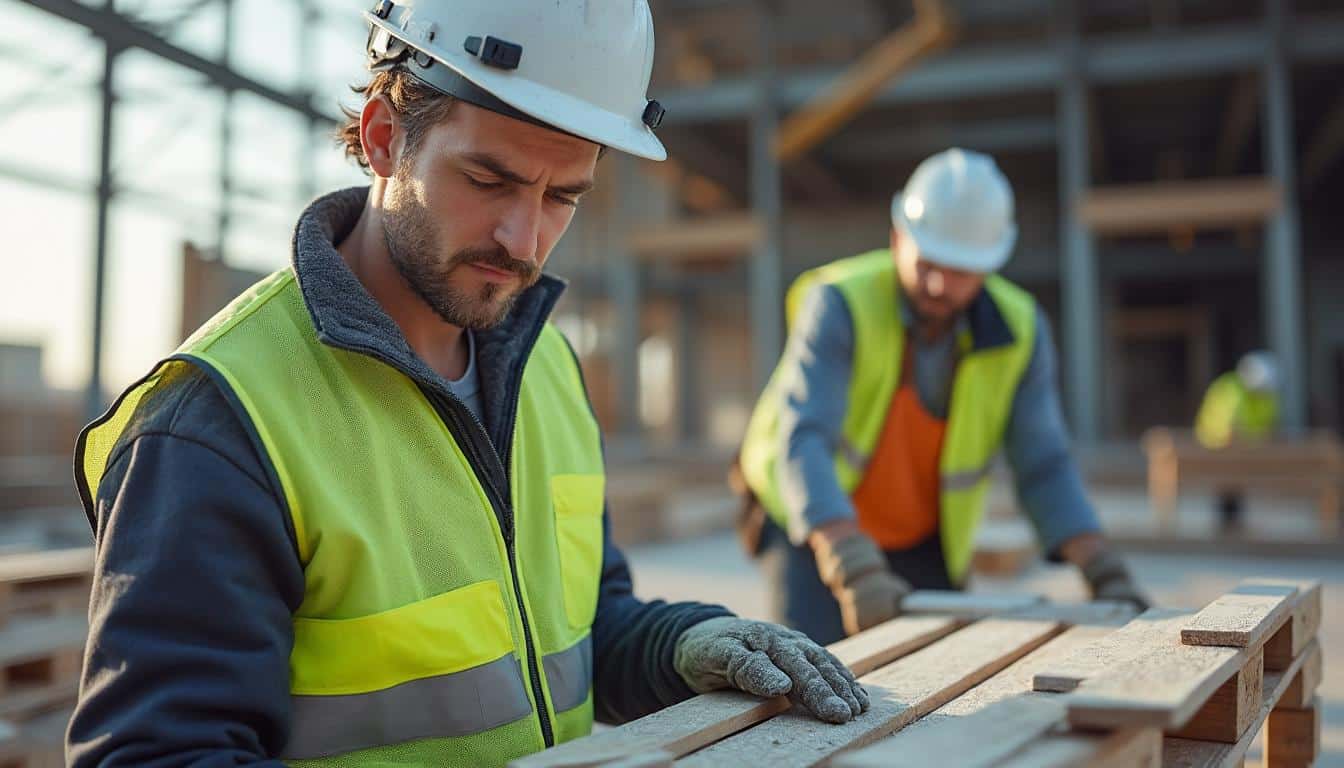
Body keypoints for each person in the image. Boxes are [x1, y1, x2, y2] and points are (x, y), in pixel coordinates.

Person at [67, 3, 868, 765]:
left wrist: (680, 646)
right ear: (384, 140)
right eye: (489, 180)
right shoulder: (220, 423)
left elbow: (577, 630)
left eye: (562, 197)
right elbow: (159, 753)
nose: (524, 240)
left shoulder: (545, 368)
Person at [734, 149, 1149, 645]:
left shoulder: (1019, 331)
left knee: (928, 681)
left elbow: (1044, 463)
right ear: (897, 237)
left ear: (990, 265)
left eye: (959, 271)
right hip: (815, 525)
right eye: (928, 262)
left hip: (924, 540)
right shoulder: (841, 303)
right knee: (807, 673)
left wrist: (1101, 567)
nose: (938, 283)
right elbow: (805, 440)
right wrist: (850, 564)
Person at [1195, 351, 1282, 530]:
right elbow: (1228, 428)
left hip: (1248, 446)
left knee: (1238, 476)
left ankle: (1232, 518)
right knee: (1229, 477)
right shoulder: (1231, 389)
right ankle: (1228, 518)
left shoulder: (1267, 395)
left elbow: (1269, 424)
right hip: (1218, 443)